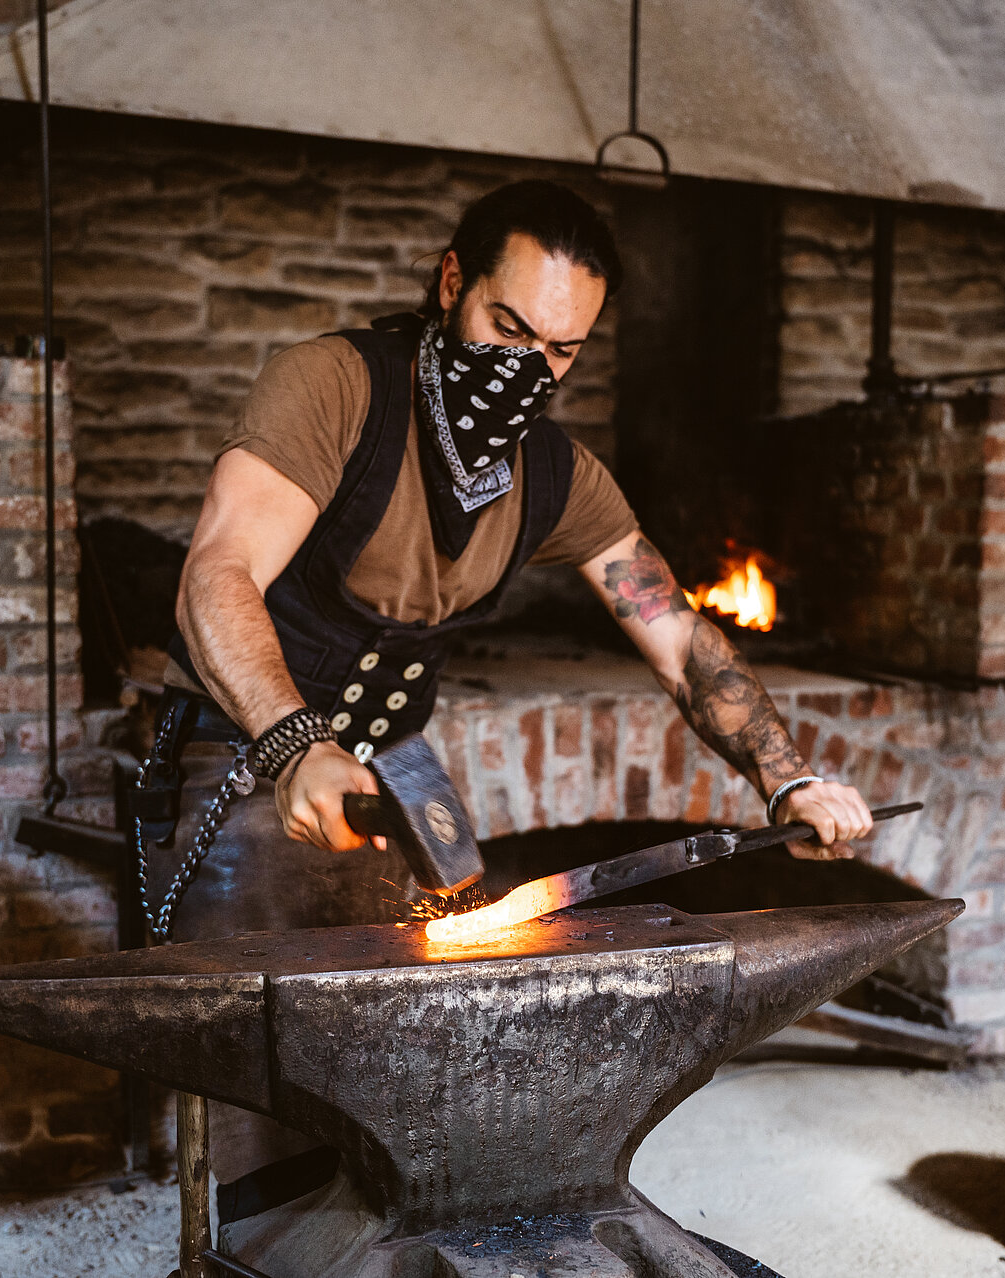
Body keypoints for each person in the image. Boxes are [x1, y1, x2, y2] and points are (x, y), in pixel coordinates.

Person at [146, 178, 872, 947]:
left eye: (560, 350)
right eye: (509, 328)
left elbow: (680, 642)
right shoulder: (335, 389)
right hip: (241, 749)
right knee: (234, 1017)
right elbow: (217, 577)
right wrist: (296, 747)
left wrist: (789, 778)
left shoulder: (557, 479)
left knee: (433, 992)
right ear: (454, 283)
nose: (529, 367)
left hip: (394, 777)